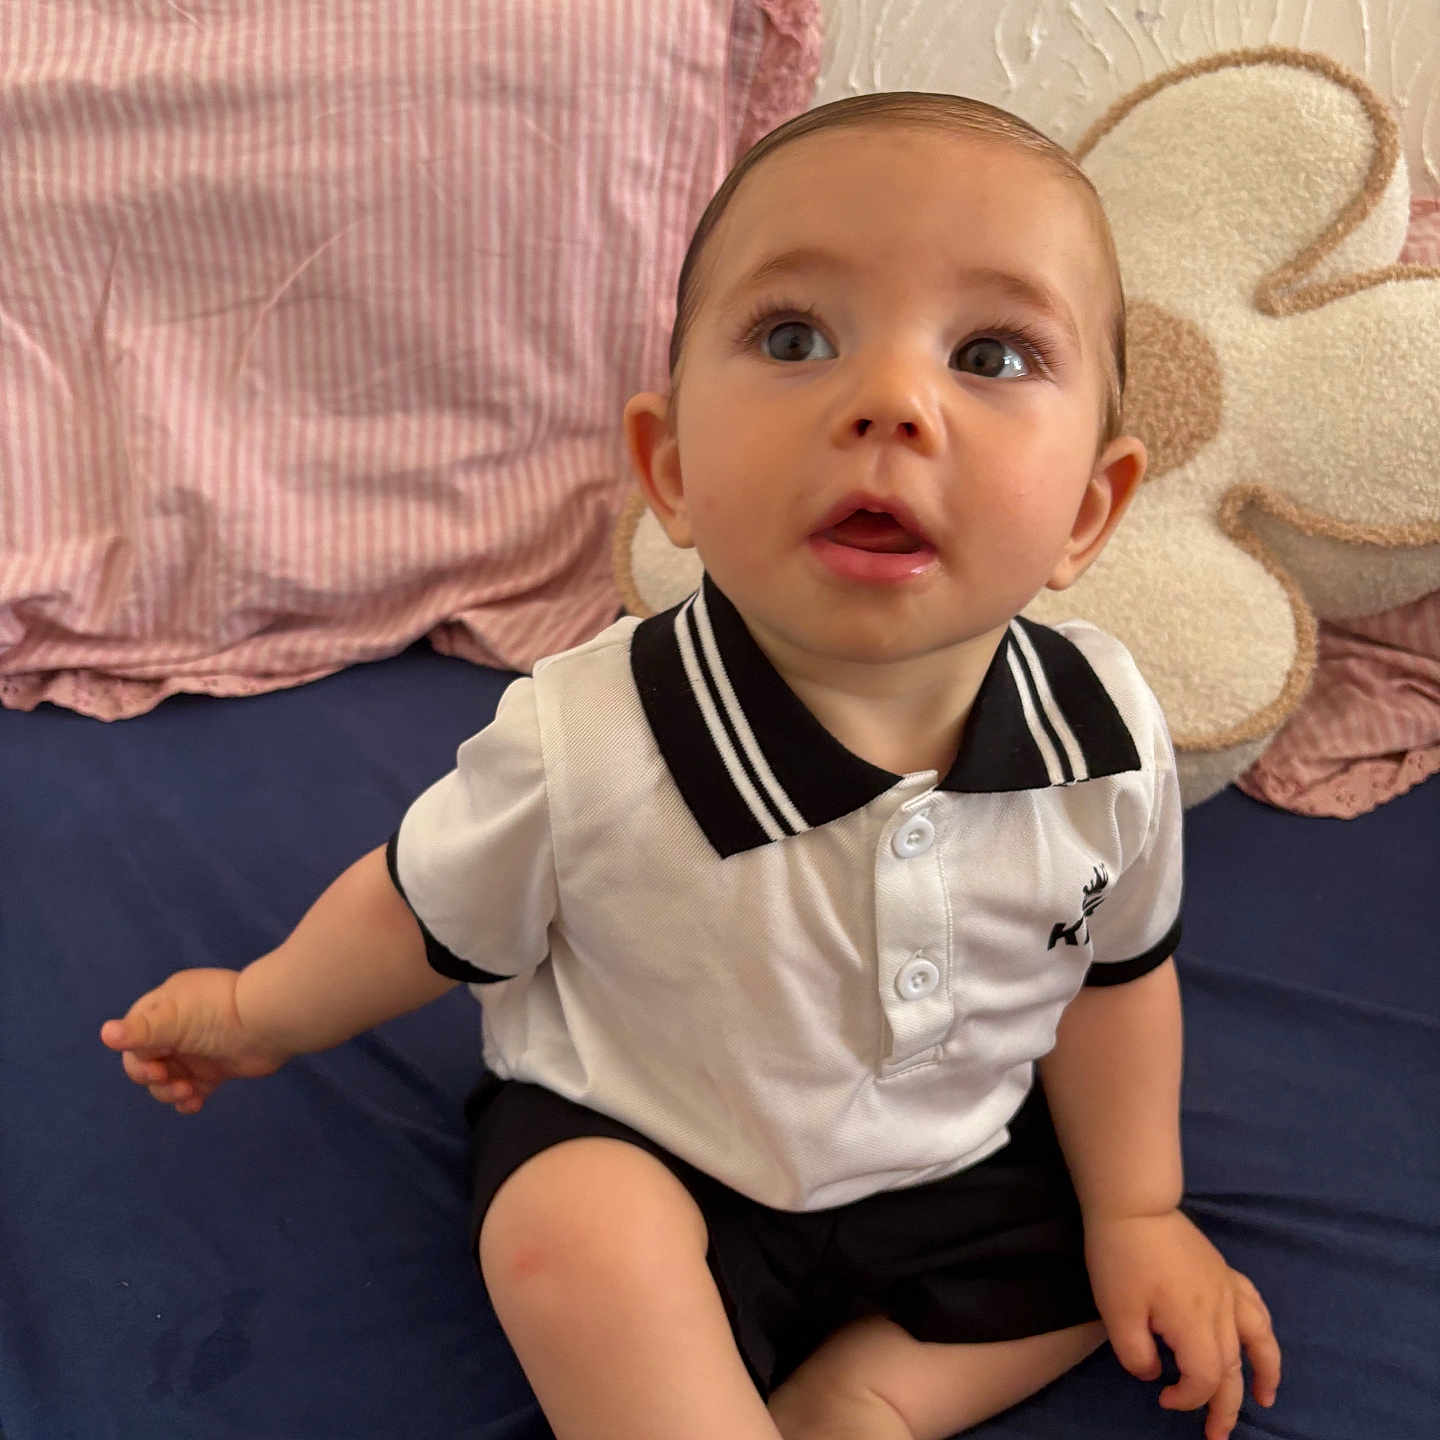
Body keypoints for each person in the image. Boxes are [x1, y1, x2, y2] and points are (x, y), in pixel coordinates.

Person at [101, 92, 1281, 1440]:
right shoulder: (591, 738)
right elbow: (415, 910)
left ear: (1086, 510)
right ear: (669, 466)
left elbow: (1119, 981)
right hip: (658, 1142)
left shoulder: (1104, 730)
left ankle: (875, 1401)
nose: (891, 402)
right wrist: (258, 1015)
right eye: (795, 337)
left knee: (1105, 1271)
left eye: (993, 355)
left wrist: (1142, 1207)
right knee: (567, 1236)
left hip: (954, 1153)